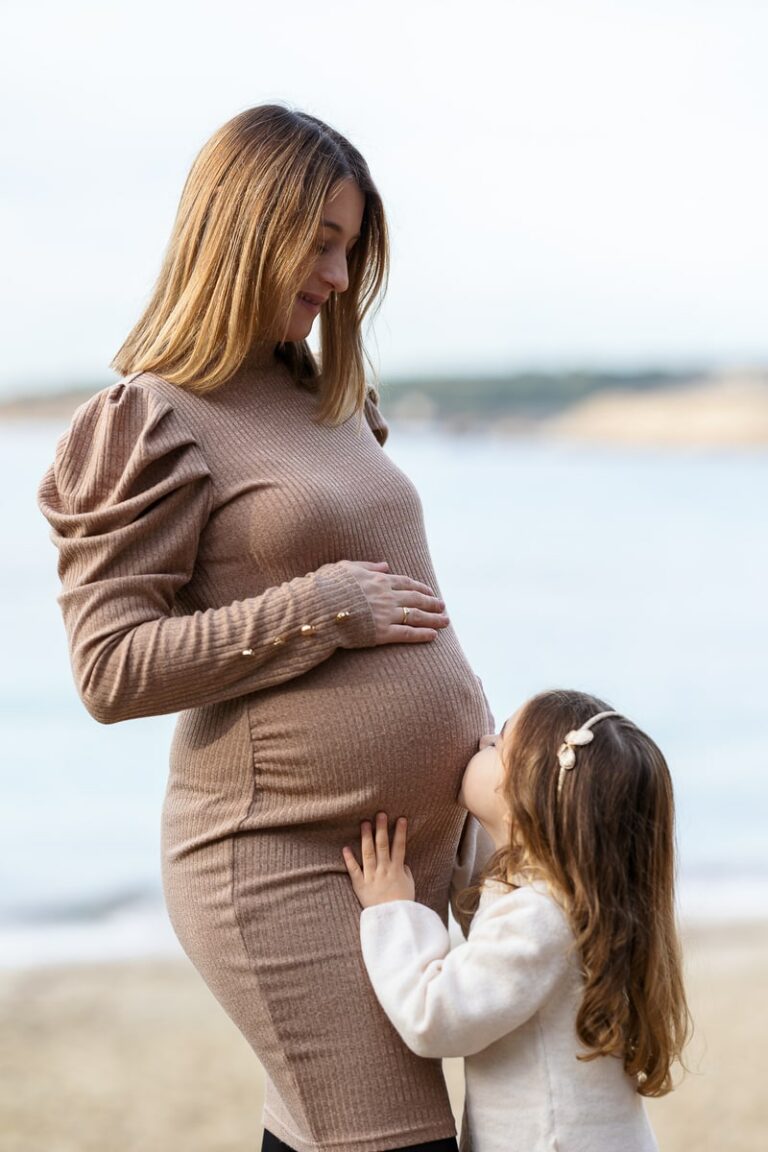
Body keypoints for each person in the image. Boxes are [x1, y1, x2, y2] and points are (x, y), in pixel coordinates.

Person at [37, 105, 493, 1152]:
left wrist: (484, 784)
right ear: (244, 228)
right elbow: (109, 669)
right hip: (279, 859)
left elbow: (415, 602)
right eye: (321, 243)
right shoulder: (150, 419)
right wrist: (319, 609)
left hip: (415, 854)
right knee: (391, 1139)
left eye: (352, 248)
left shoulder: (331, 394)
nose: (339, 277)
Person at [343, 688, 691, 1152]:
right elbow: (488, 913)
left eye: (500, 743)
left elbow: (436, 1015)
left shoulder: (541, 916)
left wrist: (393, 910)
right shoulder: (573, 896)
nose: (484, 740)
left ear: (523, 795)